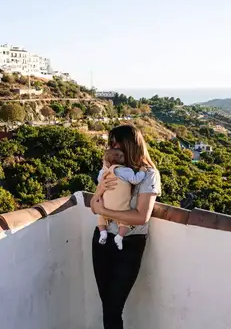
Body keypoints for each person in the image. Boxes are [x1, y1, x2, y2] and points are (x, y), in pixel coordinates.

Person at [90, 125, 161, 329]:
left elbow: (140, 217)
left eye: (116, 142)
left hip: (130, 243)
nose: (112, 147)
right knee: (107, 306)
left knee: (114, 307)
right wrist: (101, 189)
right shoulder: (109, 170)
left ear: (130, 144)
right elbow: (94, 206)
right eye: (110, 143)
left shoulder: (148, 175)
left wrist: (106, 211)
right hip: (102, 239)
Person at [96, 148, 147, 250]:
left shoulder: (103, 172)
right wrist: (142, 172)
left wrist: (104, 168)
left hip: (105, 206)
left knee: (101, 217)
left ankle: (103, 232)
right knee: (124, 222)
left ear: (107, 162)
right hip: (121, 208)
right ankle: (119, 236)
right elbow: (135, 180)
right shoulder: (126, 171)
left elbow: (99, 181)